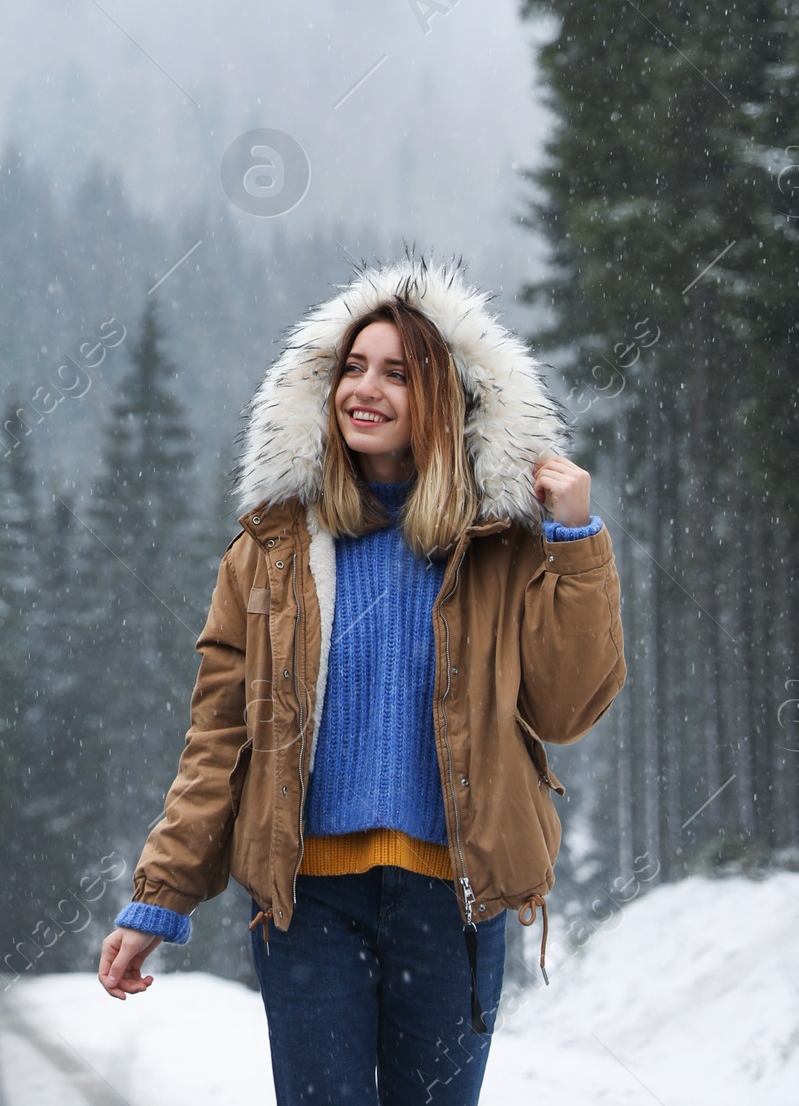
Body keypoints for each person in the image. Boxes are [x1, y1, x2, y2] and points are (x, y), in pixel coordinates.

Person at [96, 259, 625, 1106]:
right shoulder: (271, 552)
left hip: (455, 904)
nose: (363, 388)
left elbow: (567, 705)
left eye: (397, 372)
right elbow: (220, 741)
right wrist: (160, 895)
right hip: (309, 906)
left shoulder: (503, 546)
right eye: (351, 367)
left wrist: (575, 543)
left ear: (446, 400)